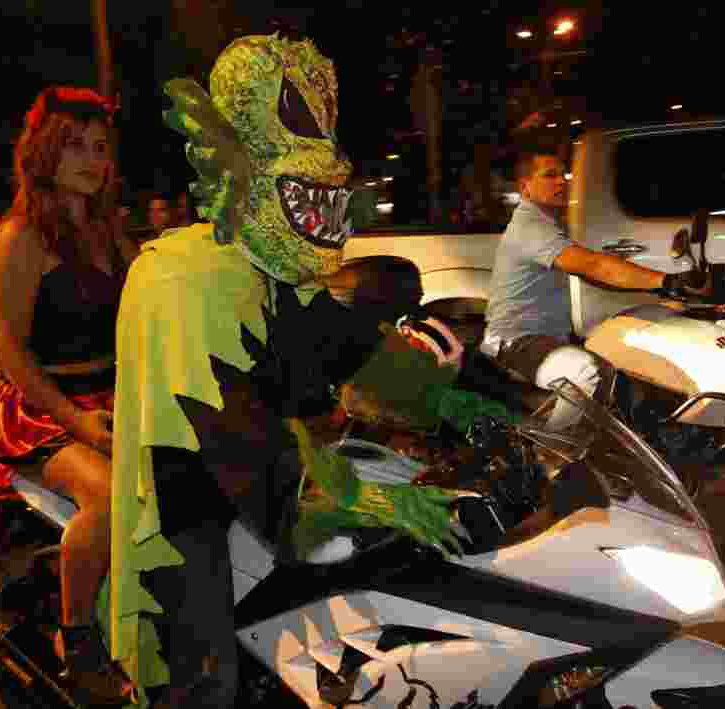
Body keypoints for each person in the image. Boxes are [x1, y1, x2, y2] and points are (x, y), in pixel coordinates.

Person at [103, 35, 509, 709]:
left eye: (332, 196)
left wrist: (471, 401)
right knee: (206, 681)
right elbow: (240, 444)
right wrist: (377, 501)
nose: (328, 218)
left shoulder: (280, 271)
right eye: (307, 195)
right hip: (188, 503)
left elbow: (359, 350)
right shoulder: (184, 278)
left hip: (269, 480)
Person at [0, 86, 135, 705]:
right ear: (44, 154)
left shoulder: (113, 231)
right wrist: (76, 421)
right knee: (110, 499)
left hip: (112, 397)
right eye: (75, 146)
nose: (91, 160)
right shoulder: (22, 237)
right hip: (40, 407)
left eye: (100, 147)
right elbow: (6, 348)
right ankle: (78, 642)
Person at [482, 148, 709, 427]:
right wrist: (668, 281)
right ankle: (556, 447)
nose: (561, 182)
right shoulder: (530, 227)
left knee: (630, 373)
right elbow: (594, 266)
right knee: (584, 373)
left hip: (547, 337)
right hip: (515, 341)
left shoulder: (550, 224)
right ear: (524, 186)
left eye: (564, 175)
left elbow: (592, 275)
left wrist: (661, 294)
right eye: (550, 175)